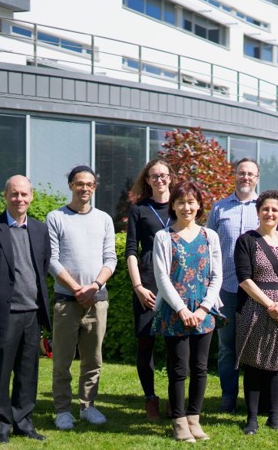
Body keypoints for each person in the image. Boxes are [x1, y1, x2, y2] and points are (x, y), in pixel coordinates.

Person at [0, 176, 51, 444]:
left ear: (31, 196)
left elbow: (41, 268)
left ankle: (24, 422)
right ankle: (0, 426)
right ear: (5, 196)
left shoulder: (39, 229)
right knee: (0, 372)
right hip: (3, 315)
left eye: (24, 194)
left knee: (27, 371)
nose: (19, 199)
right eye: (14, 194)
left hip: (32, 313)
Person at [47, 166, 117, 431]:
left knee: (93, 359)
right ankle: (62, 410)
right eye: (79, 184)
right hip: (67, 301)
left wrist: (94, 286)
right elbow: (52, 260)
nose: (84, 188)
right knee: (62, 360)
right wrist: (78, 288)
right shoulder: (56, 217)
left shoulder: (104, 219)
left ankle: (88, 406)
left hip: (97, 300)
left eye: (89, 184)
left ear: (94, 188)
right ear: (70, 185)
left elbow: (111, 258)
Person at [153, 181, 222, 441]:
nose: (186, 207)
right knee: (179, 369)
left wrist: (204, 308)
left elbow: (217, 275)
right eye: (181, 202)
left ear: (200, 205)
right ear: (172, 205)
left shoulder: (209, 236)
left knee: (201, 368)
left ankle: (194, 418)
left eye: (191, 202)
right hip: (175, 312)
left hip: (204, 311)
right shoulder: (164, 237)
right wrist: (182, 309)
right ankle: (179, 421)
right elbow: (162, 277)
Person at [234, 190, 278, 435]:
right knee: (253, 365)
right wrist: (269, 305)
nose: (270, 213)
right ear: (258, 211)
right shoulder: (247, 240)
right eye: (265, 209)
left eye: (275, 209)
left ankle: (273, 417)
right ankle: (251, 418)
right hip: (254, 307)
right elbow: (244, 278)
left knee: (276, 364)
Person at [207, 157, 260, 413]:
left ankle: (254, 399)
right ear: (235, 176)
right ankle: (228, 396)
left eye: (251, 174)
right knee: (227, 346)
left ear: (257, 178)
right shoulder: (219, 209)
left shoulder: (265, 208)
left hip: (258, 292)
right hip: (225, 290)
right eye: (242, 173)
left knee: (254, 345)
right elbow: (208, 248)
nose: (246, 177)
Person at [126, 158, 175, 421]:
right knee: (146, 344)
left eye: (163, 175)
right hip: (148, 283)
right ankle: (150, 399)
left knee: (175, 345)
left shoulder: (180, 206)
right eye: (154, 176)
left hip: (177, 282)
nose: (159, 180)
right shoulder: (139, 209)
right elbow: (131, 250)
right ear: (147, 180)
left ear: (170, 177)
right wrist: (138, 287)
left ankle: (173, 398)